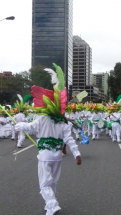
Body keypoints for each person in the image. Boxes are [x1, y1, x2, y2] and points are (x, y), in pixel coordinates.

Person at [15, 63, 82, 215]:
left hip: (45, 155)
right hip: (57, 156)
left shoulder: (42, 118)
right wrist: (77, 154)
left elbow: (31, 127)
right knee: (53, 182)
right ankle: (49, 206)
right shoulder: (62, 122)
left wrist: (19, 125)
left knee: (44, 184)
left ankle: (52, 205)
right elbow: (70, 139)